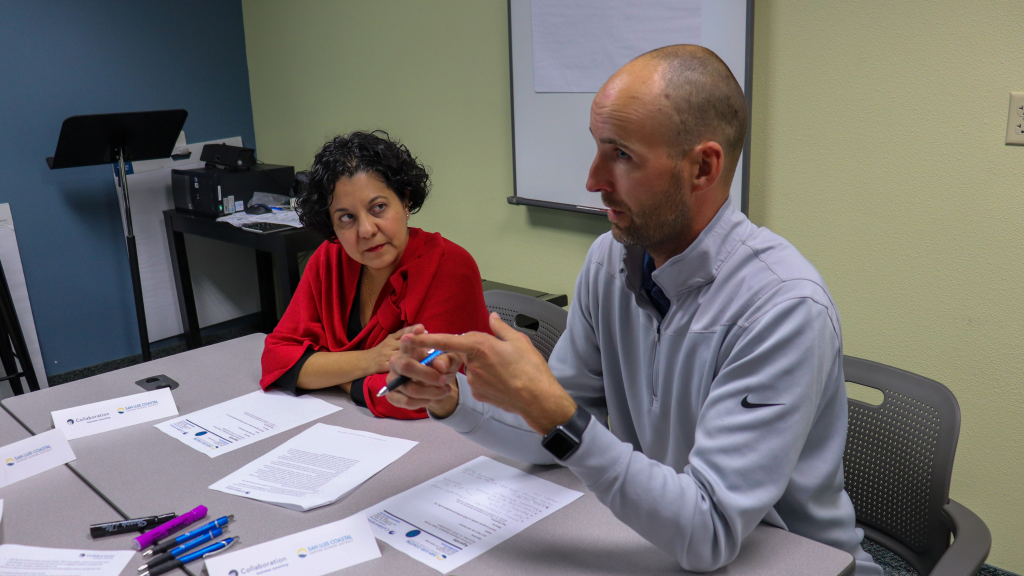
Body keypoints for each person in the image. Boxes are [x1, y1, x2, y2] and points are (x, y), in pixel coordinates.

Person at [385, 46, 882, 575]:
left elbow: (710, 531)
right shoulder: (611, 261)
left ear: (702, 168)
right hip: (660, 535)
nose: (593, 179)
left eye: (621, 155)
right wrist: (451, 399)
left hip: (792, 560)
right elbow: (556, 439)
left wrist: (555, 411)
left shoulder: (782, 307)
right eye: (598, 148)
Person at [259, 130, 490, 420]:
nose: (366, 230)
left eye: (378, 207)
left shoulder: (449, 266)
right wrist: (370, 360)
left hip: (452, 438)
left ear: (405, 202)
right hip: (349, 427)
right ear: (331, 225)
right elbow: (277, 359)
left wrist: (326, 370)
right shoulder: (329, 260)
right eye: (347, 217)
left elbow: (420, 393)